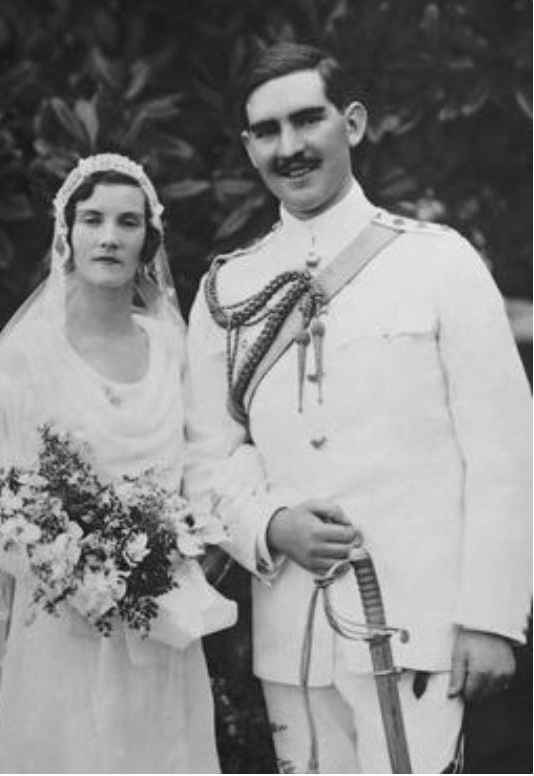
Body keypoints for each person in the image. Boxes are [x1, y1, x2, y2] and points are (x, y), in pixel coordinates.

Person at [185, 42, 531, 773]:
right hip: (292, 637)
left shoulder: (438, 261)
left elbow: (505, 452)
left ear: (353, 123)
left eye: (306, 120)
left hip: (421, 628)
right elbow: (204, 458)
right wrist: (269, 524)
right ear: (248, 148)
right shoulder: (228, 289)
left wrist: (491, 617)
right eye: (267, 131)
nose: (289, 147)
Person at [0, 153, 228, 773]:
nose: (109, 237)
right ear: (67, 234)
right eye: (93, 219)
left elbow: (202, 473)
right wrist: (68, 566)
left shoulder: (173, 348)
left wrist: (181, 544)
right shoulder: (26, 358)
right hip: (59, 633)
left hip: (162, 628)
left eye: (128, 222)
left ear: (148, 240)